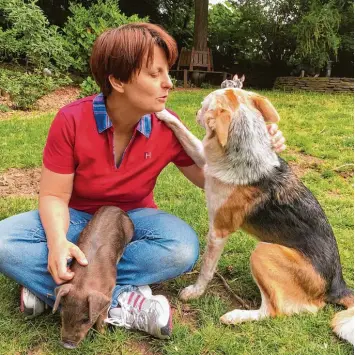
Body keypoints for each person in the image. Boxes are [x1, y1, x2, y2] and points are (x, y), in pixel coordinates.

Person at [0, 23, 286, 340]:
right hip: (76, 218)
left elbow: (210, 180)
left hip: (133, 223)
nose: (169, 84)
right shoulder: (71, 120)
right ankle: (120, 299)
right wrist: (56, 242)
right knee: (3, 242)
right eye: (155, 74)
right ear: (117, 80)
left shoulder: (167, 125)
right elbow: (54, 196)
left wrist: (253, 149)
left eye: (168, 72)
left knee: (181, 248)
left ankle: (63, 293)